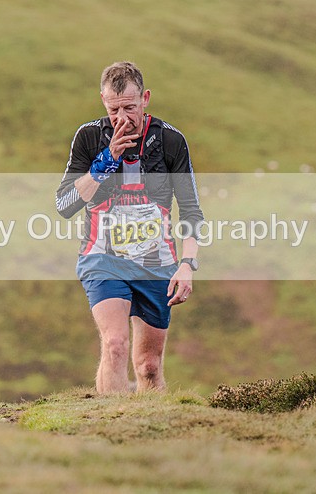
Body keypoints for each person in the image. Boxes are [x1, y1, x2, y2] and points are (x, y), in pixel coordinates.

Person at [56, 61, 204, 393]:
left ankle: (149, 434)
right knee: (115, 345)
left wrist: (187, 263)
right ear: (103, 102)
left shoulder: (169, 141)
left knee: (149, 367)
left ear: (145, 99)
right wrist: (106, 160)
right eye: (114, 109)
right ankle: (109, 432)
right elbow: (64, 206)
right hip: (102, 258)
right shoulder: (90, 137)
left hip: (157, 262)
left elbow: (191, 210)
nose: (122, 117)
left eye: (130, 107)